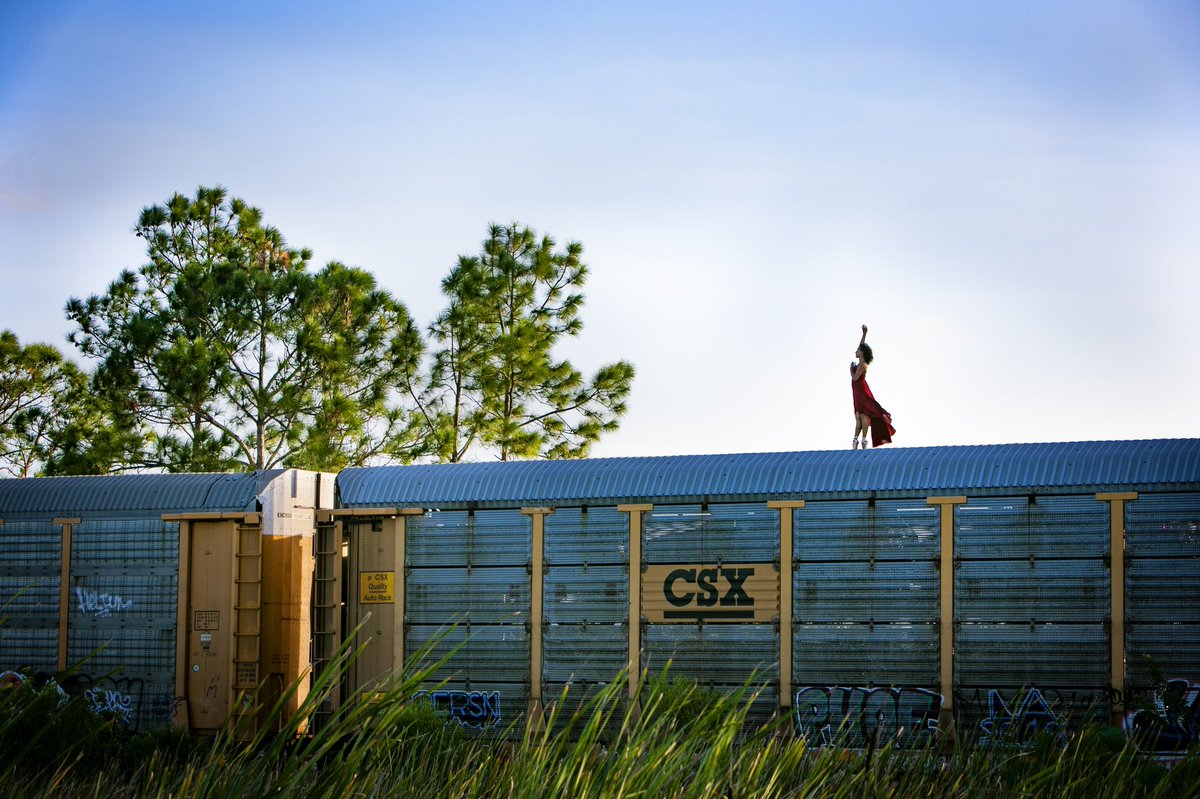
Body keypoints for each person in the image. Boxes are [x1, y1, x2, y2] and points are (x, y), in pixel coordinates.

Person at [851, 324, 895, 449]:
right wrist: (864, 334)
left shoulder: (862, 365)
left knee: (863, 414)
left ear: (862, 353)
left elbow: (854, 378)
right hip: (857, 391)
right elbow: (861, 346)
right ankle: (857, 440)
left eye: (858, 350)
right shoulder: (860, 361)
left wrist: (850, 369)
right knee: (859, 416)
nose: (856, 350)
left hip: (861, 391)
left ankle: (862, 440)